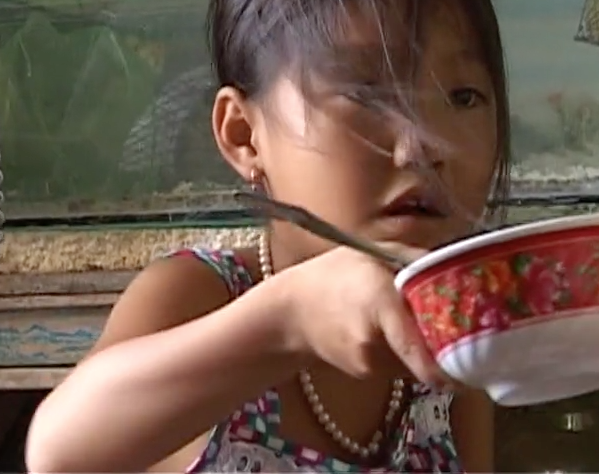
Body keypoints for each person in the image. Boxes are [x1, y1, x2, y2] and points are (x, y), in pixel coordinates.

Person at [25, 0, 511, 471]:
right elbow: (58, 450)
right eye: (366, 95)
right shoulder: (200, 295)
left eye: (463, 97)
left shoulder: (453, 326)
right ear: (243, 135)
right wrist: (290, 321)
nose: (423, 147)